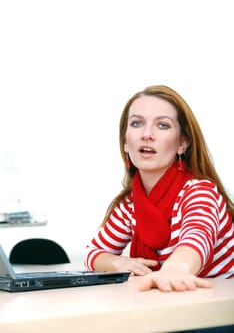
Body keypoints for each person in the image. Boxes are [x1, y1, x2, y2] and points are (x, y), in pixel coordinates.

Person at [84, 85, 234, 293]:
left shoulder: (200, 191)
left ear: (182, 144)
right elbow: (93, 253)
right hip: (165, 304)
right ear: (125, 143)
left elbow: (197, 239)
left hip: (215, 314)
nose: (147, 134)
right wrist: (121, 264)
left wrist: (175, 270)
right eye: (137, 123)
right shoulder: (129, 204)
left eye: (162, 125)